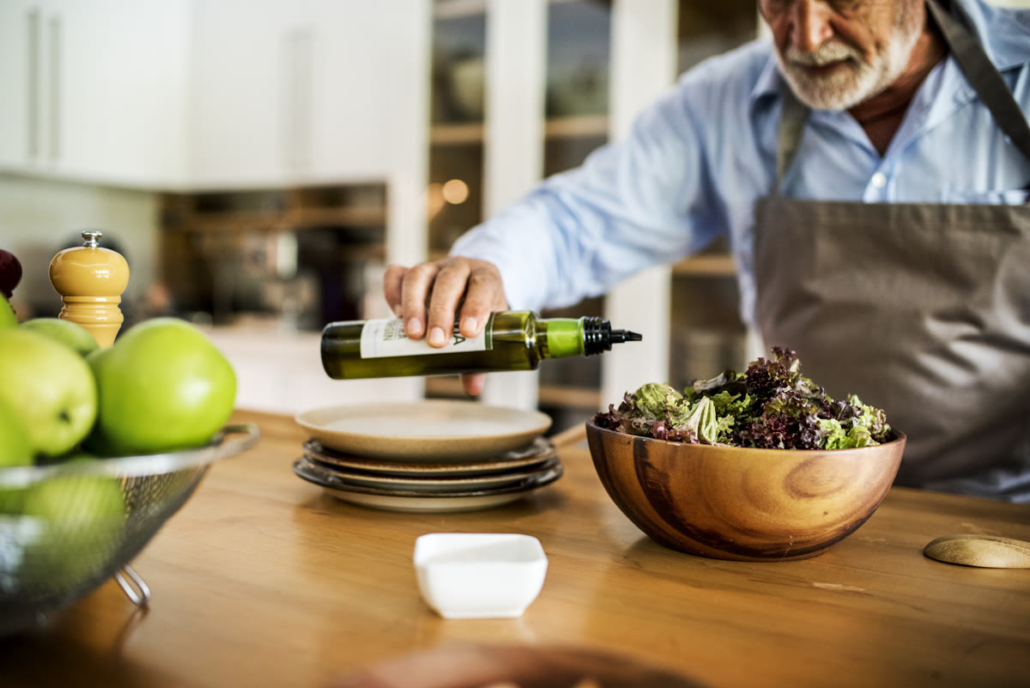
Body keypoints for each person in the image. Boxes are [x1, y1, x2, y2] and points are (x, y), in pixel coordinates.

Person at [383, 0, 1030, 501]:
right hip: (790, 499)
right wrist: (491, 268)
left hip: (999, 518)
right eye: (777, 1)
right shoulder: (725, 102)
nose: (805, 36)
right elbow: (579, 220)